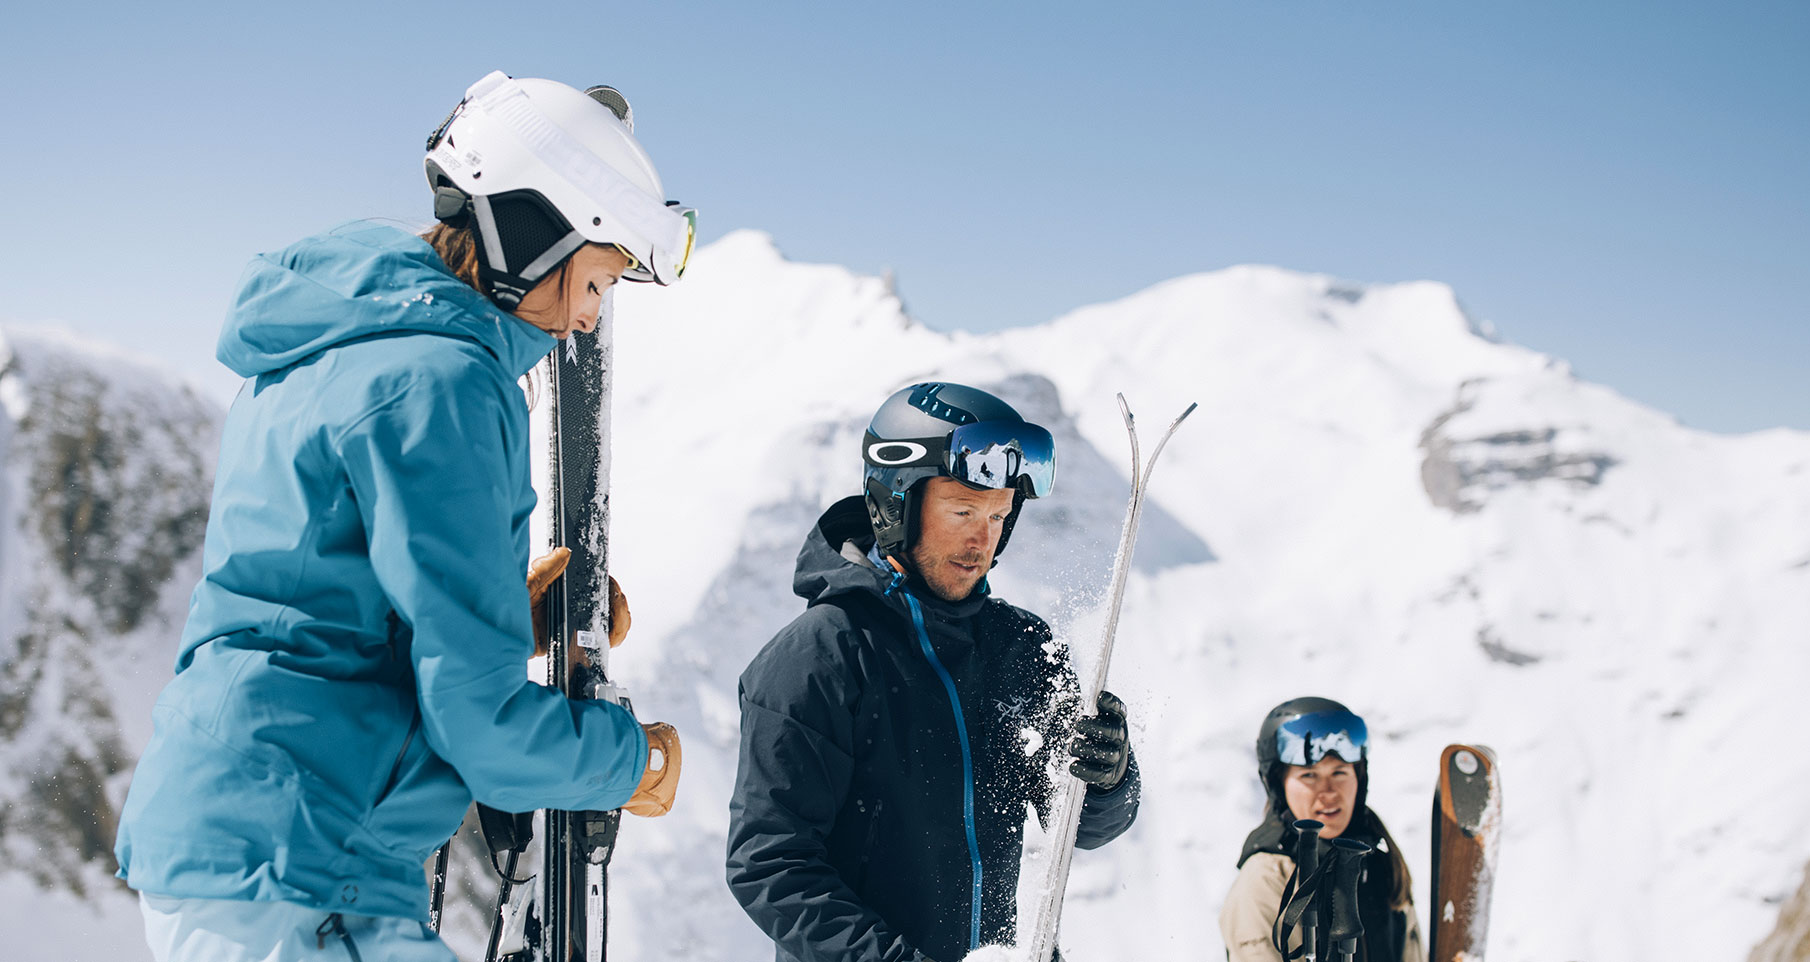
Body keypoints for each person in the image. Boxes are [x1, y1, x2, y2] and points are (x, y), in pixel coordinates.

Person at [112, 71, 696, 962]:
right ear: (538, 237)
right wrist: (634, 762)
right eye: (598, 282)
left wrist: (501, 618)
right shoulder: (447, 383)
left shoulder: (338, 342)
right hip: (309, 864)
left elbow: (316, 597)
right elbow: (484, 731)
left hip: (259, 839)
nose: (586, 322)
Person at [726, 382, 1143, 962]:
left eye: (999, 516)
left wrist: (1107, 778)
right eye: (963, 511)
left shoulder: (1018, 647)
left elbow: (1082, 827)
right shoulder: (820, 659)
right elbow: (772, 866)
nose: (983, 540)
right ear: (895, 503)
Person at [1219, 698, 1422, 962]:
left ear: (1359, 780)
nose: (1328, 792)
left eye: (1339, 773)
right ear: (1278, 785)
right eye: (1309, 776)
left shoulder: (1381, 865)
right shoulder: (1266, 879)